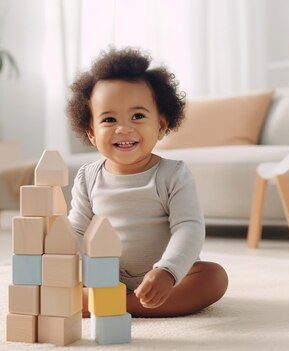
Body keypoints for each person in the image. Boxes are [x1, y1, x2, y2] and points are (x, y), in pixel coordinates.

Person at [66, 48, 228, 318]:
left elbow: (188, 227)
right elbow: (77, 230)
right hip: (105, 275)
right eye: (109, 119)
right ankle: (104, 298)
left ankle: (114, 305)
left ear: (162, 125)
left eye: (138, 116)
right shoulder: (88, 176)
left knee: (214, 277)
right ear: (92, 133)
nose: (124, 128)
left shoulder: (172, 174)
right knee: (54, 276)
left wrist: (167, 270)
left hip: (164, 279)